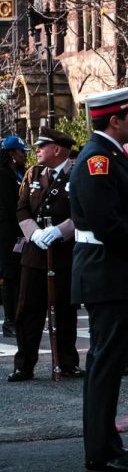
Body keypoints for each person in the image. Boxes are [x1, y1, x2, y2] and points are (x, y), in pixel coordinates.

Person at [71, 86, 128, 472]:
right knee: (106, 365)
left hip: (112, 272)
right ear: (115, 120)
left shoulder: (110, 156)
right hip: (105, 271)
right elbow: (107, 224)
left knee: (108, 363)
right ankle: (100, 453)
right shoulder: (99, 160)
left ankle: (109, 444)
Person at [9, 128, 81, 380]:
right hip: (34, 254)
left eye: (42, 146)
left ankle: (68, 361)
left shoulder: (78, 174)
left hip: (63, 253)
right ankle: (24, 364)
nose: (37, 150)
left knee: (64, 310)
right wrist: (34, 233)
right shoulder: (33, 174)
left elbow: (84, 211)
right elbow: (21, 209)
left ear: (58, 150)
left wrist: (61, 231)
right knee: (27, 310)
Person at [0, 134, 28, 338]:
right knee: (10, 276)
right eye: (21, 152)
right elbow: (10, 206)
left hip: (19, 231)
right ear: (11, 154)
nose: (24, 155)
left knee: (18, 275)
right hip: (7, 233)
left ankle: (18, 317)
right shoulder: (3, 175)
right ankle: (9, 321)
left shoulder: (19, 173)